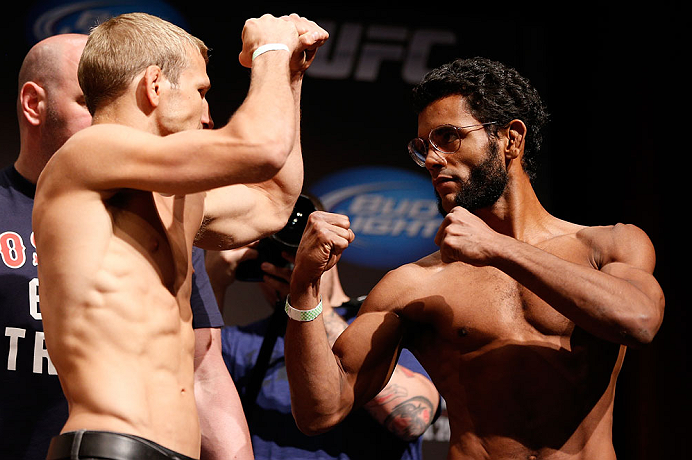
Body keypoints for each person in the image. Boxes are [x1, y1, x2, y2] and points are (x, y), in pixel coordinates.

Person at [283, 57, 665, 459]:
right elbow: (320, 411)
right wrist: (303, 287)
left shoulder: (608, 246)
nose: (431, 160)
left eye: (448, 137)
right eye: (422, 147)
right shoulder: (416, 284)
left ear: (511, 139)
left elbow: (638, 322)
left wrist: (498, 248)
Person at [31, 12, 327, 460]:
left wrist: (289, 74)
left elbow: (275, 201)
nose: (208, 114)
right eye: (201, 91)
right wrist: (271, 49)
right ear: (154, 85)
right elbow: (260, 149)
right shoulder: (90, 152)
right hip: (110, 448)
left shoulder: (178, 196)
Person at [0, 33, 241, 460]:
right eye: (90, 103)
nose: (112, 120)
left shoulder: (165, 214)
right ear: (35, 104)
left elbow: (202, 371)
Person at [204, 197, 440, 460]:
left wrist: (310, 296)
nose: (292, 261)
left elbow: (413, 419)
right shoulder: (239, 342)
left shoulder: (382, 322)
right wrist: (211, 280)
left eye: (303, 247)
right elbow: (187, 395)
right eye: (272, 251)